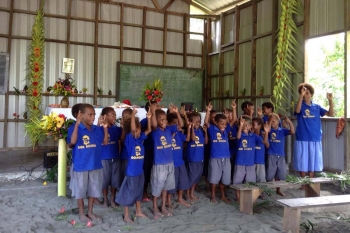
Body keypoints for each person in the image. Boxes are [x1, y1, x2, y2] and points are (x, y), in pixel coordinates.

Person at [69, 104, 108, 223]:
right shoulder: (74, 128)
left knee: (93, 189)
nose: (93, 117)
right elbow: (73, 141)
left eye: (94, 115)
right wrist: (77, 123)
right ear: (81, 115)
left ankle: (90, 211)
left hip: (95, 164)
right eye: (90, 115)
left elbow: (105, 142)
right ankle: (81, 213)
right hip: (81, 165)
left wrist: (105, 128)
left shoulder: (97, 129)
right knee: (80, 190)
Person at [116, 108, 151, 222]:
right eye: (136, 130)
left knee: (139, 191)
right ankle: (126, 215)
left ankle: (138, 211)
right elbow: (131, 129)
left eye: (139, 130)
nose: (138, 132)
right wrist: (132, 116)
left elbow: (149, 130)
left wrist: (149, 119)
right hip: (132, 172)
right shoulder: (129, 140)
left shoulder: (140, 139)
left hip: (140, 171)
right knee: (129, 192)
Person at [294, 83, 333, 181]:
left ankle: (310, 181)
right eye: (303, 93)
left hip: (315, 137)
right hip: (302, 137)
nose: (305, 95)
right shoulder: (299, 105)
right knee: (302, 159)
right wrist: (301, 96)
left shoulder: (317, 107)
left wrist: (330, 100)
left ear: (311, 94)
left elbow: (330, 114)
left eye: (307, 93)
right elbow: (297, 111)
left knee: (313, 160)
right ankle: (303, 181)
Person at [150, 103, 184, 218]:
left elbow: (181, 124)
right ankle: (155, 207)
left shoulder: (169, 129)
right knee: (157, 188)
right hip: (159, 164)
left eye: (165, 119)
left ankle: (163, 206)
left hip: (170, 162)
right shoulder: (155, 131)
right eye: (161, 120)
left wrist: (176, 113)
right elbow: (154, 124)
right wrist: (153, 111)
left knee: (165, 187)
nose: (164, 122)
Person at [204, 101, 235, 203]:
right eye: (221, 124)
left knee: (225, 178)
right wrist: (208, 111)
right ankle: (213, 195)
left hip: (226, 157)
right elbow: (206, 122)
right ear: (216, 123)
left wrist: (234, 108)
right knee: (214, 178)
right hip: (215, 157)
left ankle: (222, 195)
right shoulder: (212, 129)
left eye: (225, 124)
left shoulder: (226, 130)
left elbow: (234, 119)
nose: (224, 126)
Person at [234, 116, 268, 202]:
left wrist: (266, 133)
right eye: (243, 125)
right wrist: (240, 127)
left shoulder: (254, 136)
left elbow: (264, 142)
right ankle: (237, 197)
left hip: (250, 163)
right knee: (237, 181)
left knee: (250, 182)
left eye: (247, 125)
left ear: (250, 126)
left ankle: (250, 197)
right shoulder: (240, 134)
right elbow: (238, 137)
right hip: (240, 162)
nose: (245, 127)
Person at [265, 113, 295, 196]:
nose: (272, 123)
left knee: (280, 174)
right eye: (271, 121)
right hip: (271, 154)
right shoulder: (269, 130)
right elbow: (265, 140)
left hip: (281, 155)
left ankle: (278, 189)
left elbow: (292, 131)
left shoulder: (282, 131)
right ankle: (268, 189)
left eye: (274, 121)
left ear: (279, 121)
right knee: (270, 175)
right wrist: (269, 124)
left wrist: (289, 122)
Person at [166, 113, 191, 208]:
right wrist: (172, 134)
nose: (177, 125)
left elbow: (188, 138)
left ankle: (180, 198)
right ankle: (168, 201)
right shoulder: (167, 132)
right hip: (172, 163)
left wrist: (188, 128)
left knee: (183, 181)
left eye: (177, 123)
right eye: (174, 123)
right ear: (168, 124)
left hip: (180, 162)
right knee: (172, 183)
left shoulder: (180, 134)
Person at [99, 107, 122, 208]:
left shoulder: (116, 128)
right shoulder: (100, 129)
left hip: (115, 158)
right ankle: (105, 199)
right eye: (112, 115)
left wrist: (123, 126)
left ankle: (112, 199)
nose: (115, 117)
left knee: (115, 180)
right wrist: (99, 123)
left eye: (115, 115)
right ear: (105, 116)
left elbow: (121, 139)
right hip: (104, 158)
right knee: (104, 181)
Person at [140, 101, 160, 202]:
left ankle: (154, 191)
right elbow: (152, 127)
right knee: (146, 171)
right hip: (147, 149)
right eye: (156, 106)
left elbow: (156, 126)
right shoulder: (144, 121)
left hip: (156, 150)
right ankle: (144, 191)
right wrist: (151, 111)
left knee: (154, 171)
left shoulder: (159, 120)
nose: (159, 107)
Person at [186, 112, 208, 201]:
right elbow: (193, 138)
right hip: (193, 158)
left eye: (198, 121)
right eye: (194, 121)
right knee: (191, 177)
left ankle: (192, 193)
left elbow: (206, 142)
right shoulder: (191, 130)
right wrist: (191, 128)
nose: (197, 123)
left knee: (196, 177)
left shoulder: (201, 131)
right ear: (190, 122)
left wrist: (205, 132)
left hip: (200, 157)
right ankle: (187, 194)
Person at [66, 103, 81, 198]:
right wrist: (72, 143)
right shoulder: (72, 128)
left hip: (87, 160)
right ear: (77, 115)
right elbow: (70, 144)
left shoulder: (90, 127)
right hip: (78, 159)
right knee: (77, 180)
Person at [120, 108, 133, 181]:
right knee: (125, 174)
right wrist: (124, 127)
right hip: (125, 155)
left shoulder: (135, 127)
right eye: (124, 117)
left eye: (127, 117)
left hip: (134, 156)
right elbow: (122, 139)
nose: (125, 119)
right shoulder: (123, 128)